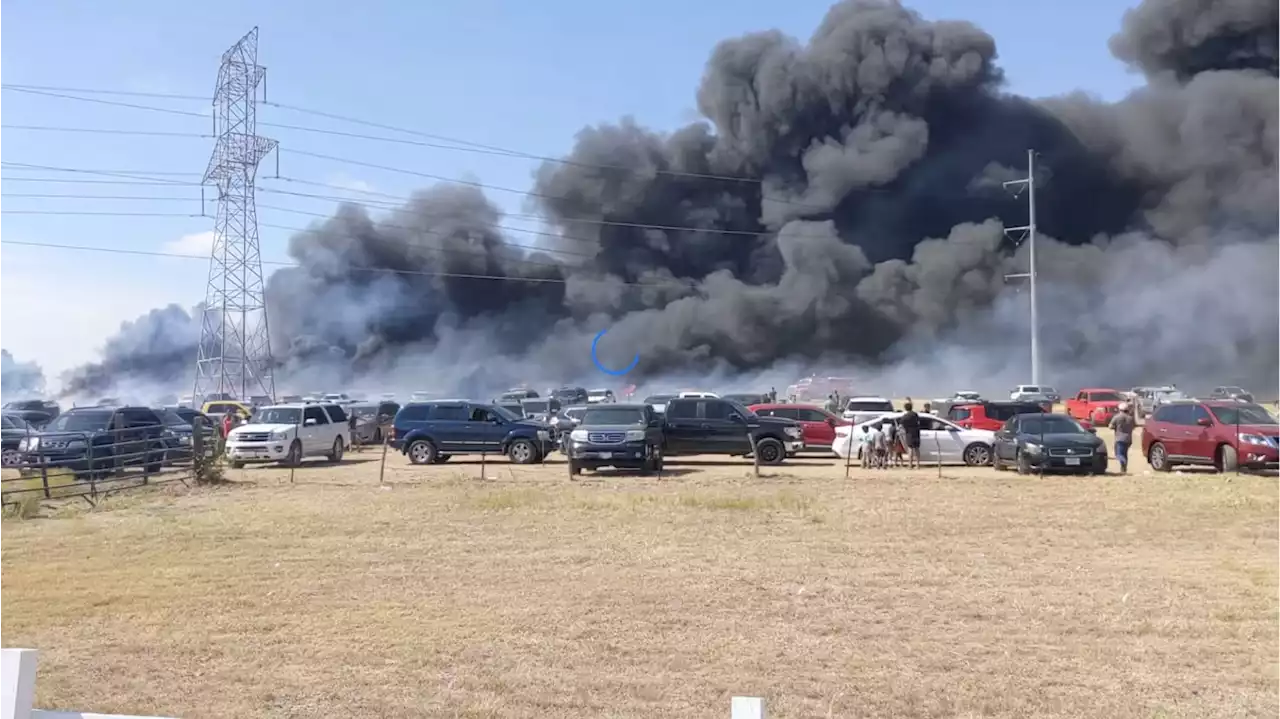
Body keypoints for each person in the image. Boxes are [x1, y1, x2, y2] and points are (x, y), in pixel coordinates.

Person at [1109, 402, 1135, 474]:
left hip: (1119, 438)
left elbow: (1110, 426)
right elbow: (1133, 427)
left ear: (1120, 409)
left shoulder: (1117, 417)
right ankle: (1123, 469)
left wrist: (1115, 427)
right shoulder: (1130, 418)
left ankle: (1123, 463)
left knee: (1118, 454)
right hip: (1128, 439)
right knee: (1125, 454)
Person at [899, 401, 922, 469]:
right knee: (917, 448)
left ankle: (910, 464)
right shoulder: (915, 414)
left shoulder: (905, 417)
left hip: (909, 433)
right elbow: (918, 422)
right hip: (916, 433)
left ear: (905, 408)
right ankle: (918, 464)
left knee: (910, 448)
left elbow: (901, 425)